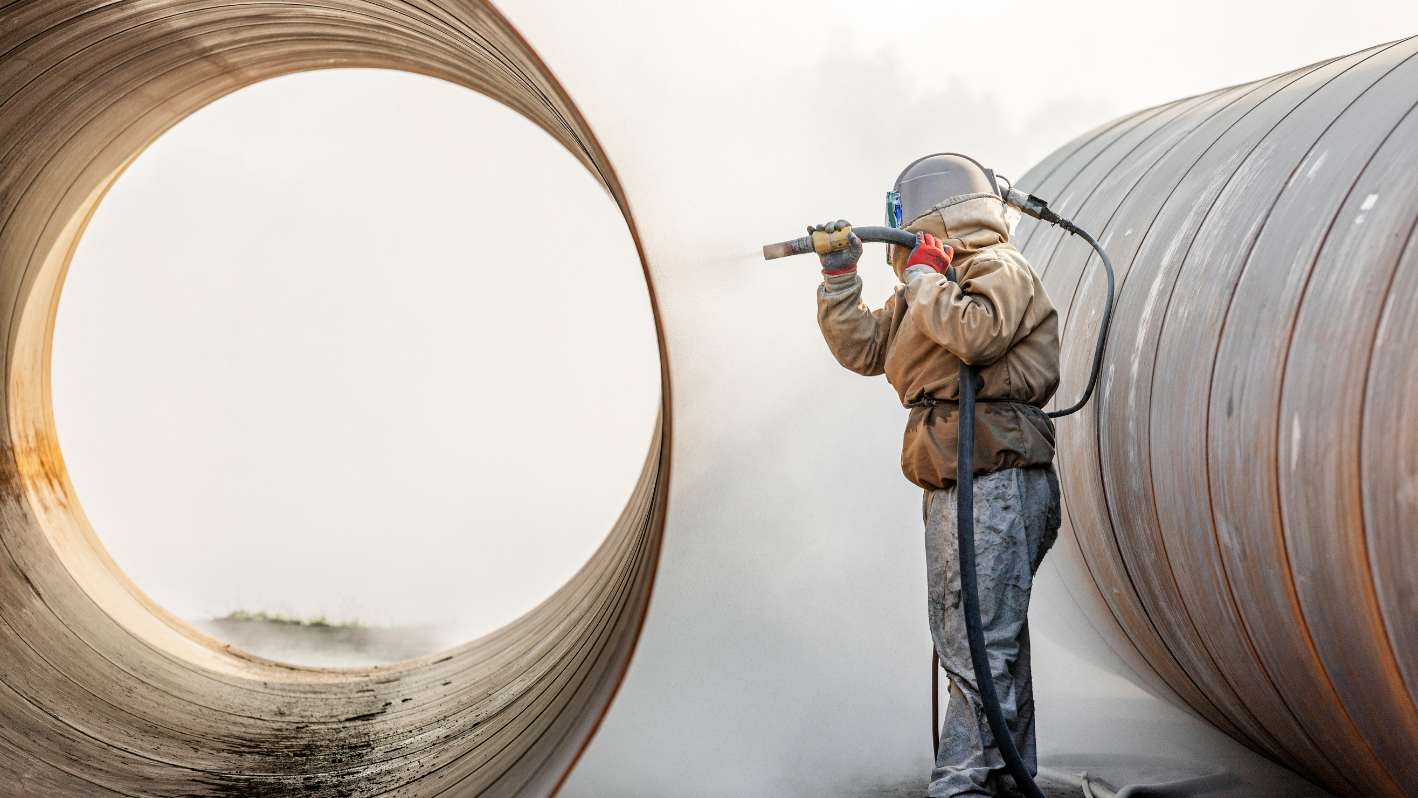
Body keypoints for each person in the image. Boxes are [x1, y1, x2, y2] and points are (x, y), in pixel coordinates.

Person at [813, 154, 1062, 798]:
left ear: (924, 218)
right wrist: (841, 278)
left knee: (975, 635)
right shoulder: (929, 285)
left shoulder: (996, 270)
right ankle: (1006, 774)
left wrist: (925, 279)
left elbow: (976, 337)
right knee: (983, 633)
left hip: (994, 478)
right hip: (961, 475)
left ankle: (963, 783)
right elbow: (868, 348)